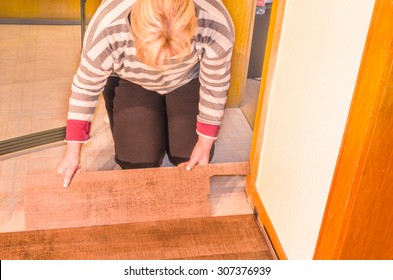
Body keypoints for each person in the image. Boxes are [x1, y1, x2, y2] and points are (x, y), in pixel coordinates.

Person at [57, 0, 235, 188]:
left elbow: (215, 84)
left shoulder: (215, 22)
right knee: (138, 162)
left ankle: (169, 117)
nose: (163, 62)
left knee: (187, 155)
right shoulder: (107, 27)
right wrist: (73, 152)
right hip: (132, 81)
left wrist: (205, 142)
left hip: (187, 79)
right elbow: (85, 88)